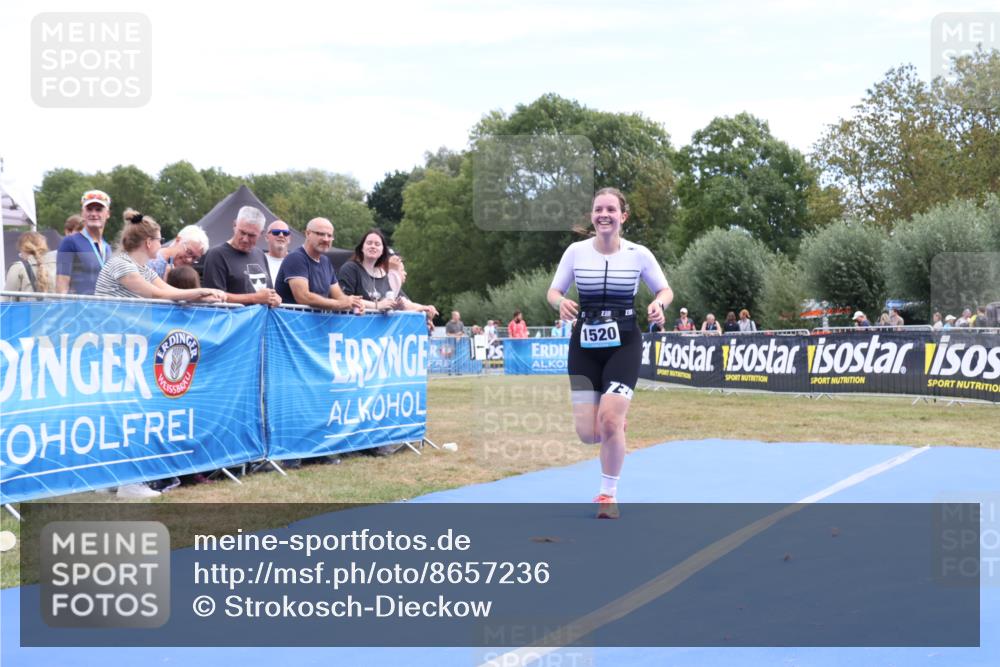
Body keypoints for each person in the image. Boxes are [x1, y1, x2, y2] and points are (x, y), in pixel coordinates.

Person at [547, 187, 672, 520]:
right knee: (589, 434)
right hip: (584, 346)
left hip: (624, 343)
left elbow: (664, 288)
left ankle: (607, 494)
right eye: (598, 209)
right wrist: (561, 303)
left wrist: (658, 305)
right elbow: (553, 290)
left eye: (611, 210)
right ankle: (613, 423)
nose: (604, 214)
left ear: (623, 216)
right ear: (592, 216)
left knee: (610, 422)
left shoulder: (638, 254)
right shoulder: (575, 252)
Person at [95, 209, 225, 499]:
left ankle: (116, 478)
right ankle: (128, 482)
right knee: (129, 413)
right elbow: (162, 295)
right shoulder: (121, 265)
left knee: (127, 414)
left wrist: (201, 292)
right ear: (150, 242)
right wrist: (201, 292)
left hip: (130, 349)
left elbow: (165, 288)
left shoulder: (140, 267)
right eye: (159, 239)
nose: (160, 243)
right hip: (114, 349)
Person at [337, 229, 438, 316]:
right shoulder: (350, 268)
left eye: (377, 244)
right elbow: (344, 299)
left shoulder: (384, 274)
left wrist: (424, 308)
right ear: (362, 248)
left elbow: (403, 302)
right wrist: (378, 306)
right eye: (369, 243)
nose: (373, 246)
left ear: (382, 251)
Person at [274, 217, 363, 311]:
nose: (326, 239)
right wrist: (339, 304)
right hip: (292, 323)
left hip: (315, 324)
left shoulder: (325, 261)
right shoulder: (296, 258)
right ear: (308, 234)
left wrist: (355, 304)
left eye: (329, 236)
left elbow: (339, 296)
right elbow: (303, 297)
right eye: (320, 234)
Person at [201, 205, 282, 306]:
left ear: (261, 233)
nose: (245, 239)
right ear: (235, 225)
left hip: (260, 320)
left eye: (252, 235)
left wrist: (276, 298)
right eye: (242, 232)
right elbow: (214, 297)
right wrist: (254, 298)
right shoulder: (217, 255)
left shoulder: (260, 254)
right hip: (232, 320)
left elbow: (269, 291)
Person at [56, 189, 114, 294]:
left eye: (98, 209)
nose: (93, 213)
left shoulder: (107, 247)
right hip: (78, 308)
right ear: (82, 213)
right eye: (89, 209)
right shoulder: (70, 242)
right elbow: (62, 283)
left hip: (103, 308)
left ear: (108, 214)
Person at [4, 231, 56, 300]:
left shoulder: (18, 267)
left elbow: (5, 300)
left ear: (22, 249)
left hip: (26, 310)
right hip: (52, 310)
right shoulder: (56, 265)